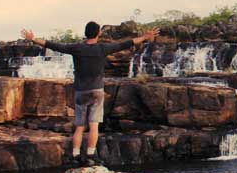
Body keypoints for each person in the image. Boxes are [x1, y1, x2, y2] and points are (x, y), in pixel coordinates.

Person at [20, 21, 158, 162]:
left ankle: (75, 155)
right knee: (94, 125)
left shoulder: (77, 48)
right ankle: (91, 155)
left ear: (85, 33)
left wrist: (33, 39)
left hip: (81, 91)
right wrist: (145, 37)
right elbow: (126, 43)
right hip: (97, 91)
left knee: (80, 126)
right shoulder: (102, 48)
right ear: (98, 33)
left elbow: (54, 45)